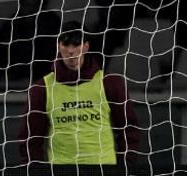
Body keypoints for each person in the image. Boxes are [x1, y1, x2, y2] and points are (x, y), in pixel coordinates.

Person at [18, 23, 140, 165]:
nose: (71, 51)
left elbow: (129, 128)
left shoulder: (110, 83)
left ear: (86, 46)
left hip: (105, 173)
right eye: (66, 45)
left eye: (76, 45)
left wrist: (126, 167)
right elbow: (30, 138)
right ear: (58, 46)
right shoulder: (41, 88)